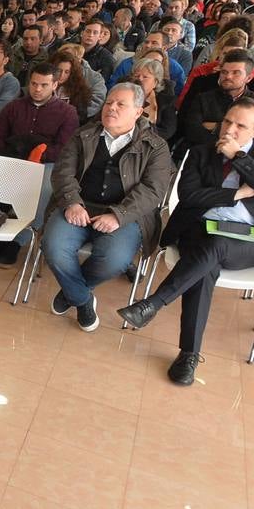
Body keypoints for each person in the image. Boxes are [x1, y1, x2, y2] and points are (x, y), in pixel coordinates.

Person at [117, 98, 254, 385]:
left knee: (214, 248)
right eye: (227, 121)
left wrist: (239, 157)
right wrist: (236, 194)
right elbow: (189, 197)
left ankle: (154, 304)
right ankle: (188, 355)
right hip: (200, 228)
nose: (229, 130)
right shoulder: (200, 152)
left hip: (249, 238)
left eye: (240, 126)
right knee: (205, 264)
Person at [42, 83, 173, 332]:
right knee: (54, 246)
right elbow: (63, 173)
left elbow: (153, 191)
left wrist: (118, 215)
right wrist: (72, 202)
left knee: (114, 259)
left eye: (120, 104)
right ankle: (82, 299)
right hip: (79, 206)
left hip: (124, 214)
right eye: (108, 103)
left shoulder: (155, 146)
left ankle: (71, 293)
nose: (111, 108)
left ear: (138, 112)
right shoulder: (84, 135)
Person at [0, 62, 79, 264]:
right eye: (34, 84)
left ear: (55, 85)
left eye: (44, 85)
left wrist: (37, 157)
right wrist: (10, 157)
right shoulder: (14, 106)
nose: (37, 89)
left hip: (46, 163)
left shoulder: (67, 112)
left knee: (43, 189)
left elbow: (64, 149)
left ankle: (18, 240)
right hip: (13, 157)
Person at [179, 50, 254, 149]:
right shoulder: (203, 98)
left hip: (239, 157)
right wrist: (224, 144)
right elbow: (191, 131)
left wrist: (216, 126)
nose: (228, 76)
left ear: (248, 78)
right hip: (202, 152)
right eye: (224, 72)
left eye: (236, 73)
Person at [127, 57, 178, 143]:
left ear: (156, 82)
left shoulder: (165, 101)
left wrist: (140, 134)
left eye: (145, 77)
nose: (139, 79)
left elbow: (167, 130)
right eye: (136, 76)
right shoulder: (122, 93)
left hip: (148, 142)